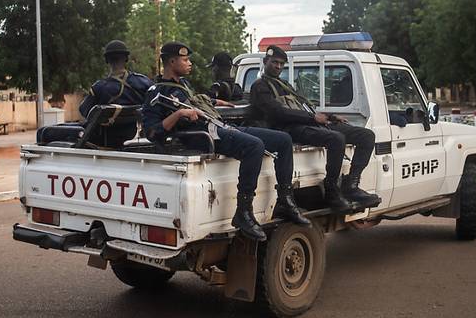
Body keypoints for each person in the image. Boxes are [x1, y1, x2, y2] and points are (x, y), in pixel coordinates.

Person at [142, 41, 309, 241]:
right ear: (171, 61)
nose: (189, 63)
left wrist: (215, 101)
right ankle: (244, 212)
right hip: (200, 137)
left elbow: (195, 101)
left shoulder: (183, 85)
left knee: (283, 140)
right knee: (254, 146)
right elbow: (151, 132)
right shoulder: (156, 92)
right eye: (185, 60)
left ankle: (284, 199)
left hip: (217, 127)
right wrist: (178, 114)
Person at [249, 45, 381, 210]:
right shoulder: (260, 86)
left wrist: (331, 117)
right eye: (274, 62)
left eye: (281, 64)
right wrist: (313, 118)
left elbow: (305, 106)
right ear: (265, 61)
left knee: (366, 136)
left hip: (306, 122)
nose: (278, 66)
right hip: (288, 128)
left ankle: (351, 185)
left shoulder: (283, 84)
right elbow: (276, 112)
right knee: (336, 139)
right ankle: (332, 190)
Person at [79, 39, 152, 118]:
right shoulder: (144, 82)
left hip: (108, 130)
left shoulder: (98, 88)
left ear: (107, 60)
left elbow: (84, 111)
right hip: (138, 129)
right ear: (126, 59)